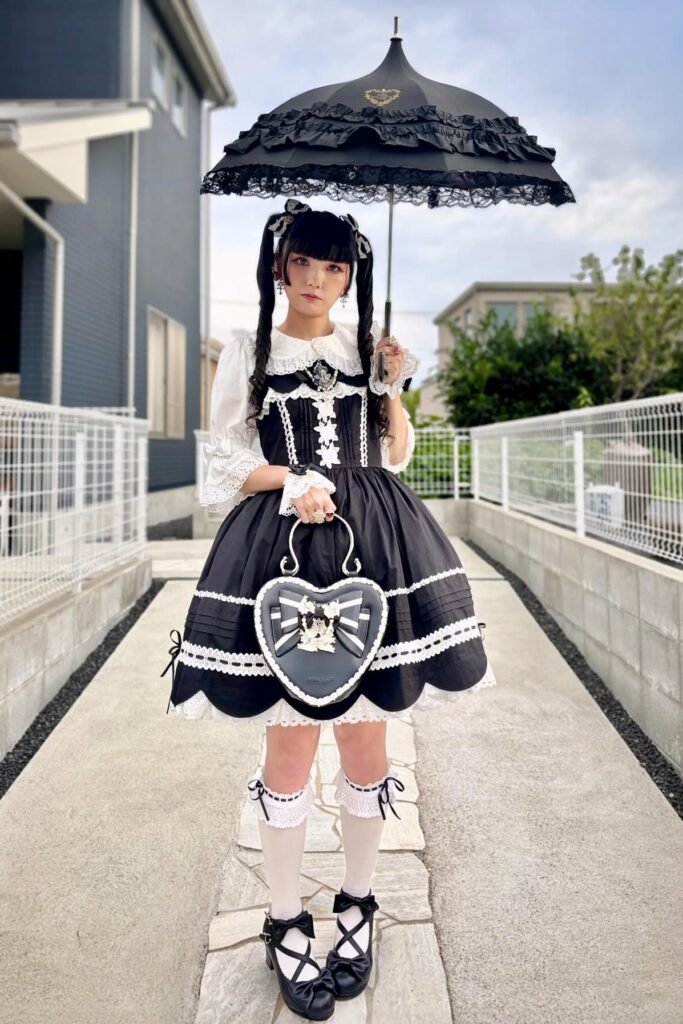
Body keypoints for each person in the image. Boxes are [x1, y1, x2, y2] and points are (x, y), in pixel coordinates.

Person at [163, 198, 497, 1020]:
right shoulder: (247, 348)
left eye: (334, 267)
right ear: (280, 268)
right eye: (304, 264)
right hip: (276, 549)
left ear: (351, 277)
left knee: (364, 741)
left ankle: (356, 904)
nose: (317, 281)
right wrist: (293, 482)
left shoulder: (365, 343)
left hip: (376, 546)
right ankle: (283, 916)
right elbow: (221, 464)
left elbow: (396, 454)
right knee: (287, 753)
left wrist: (392, 386)